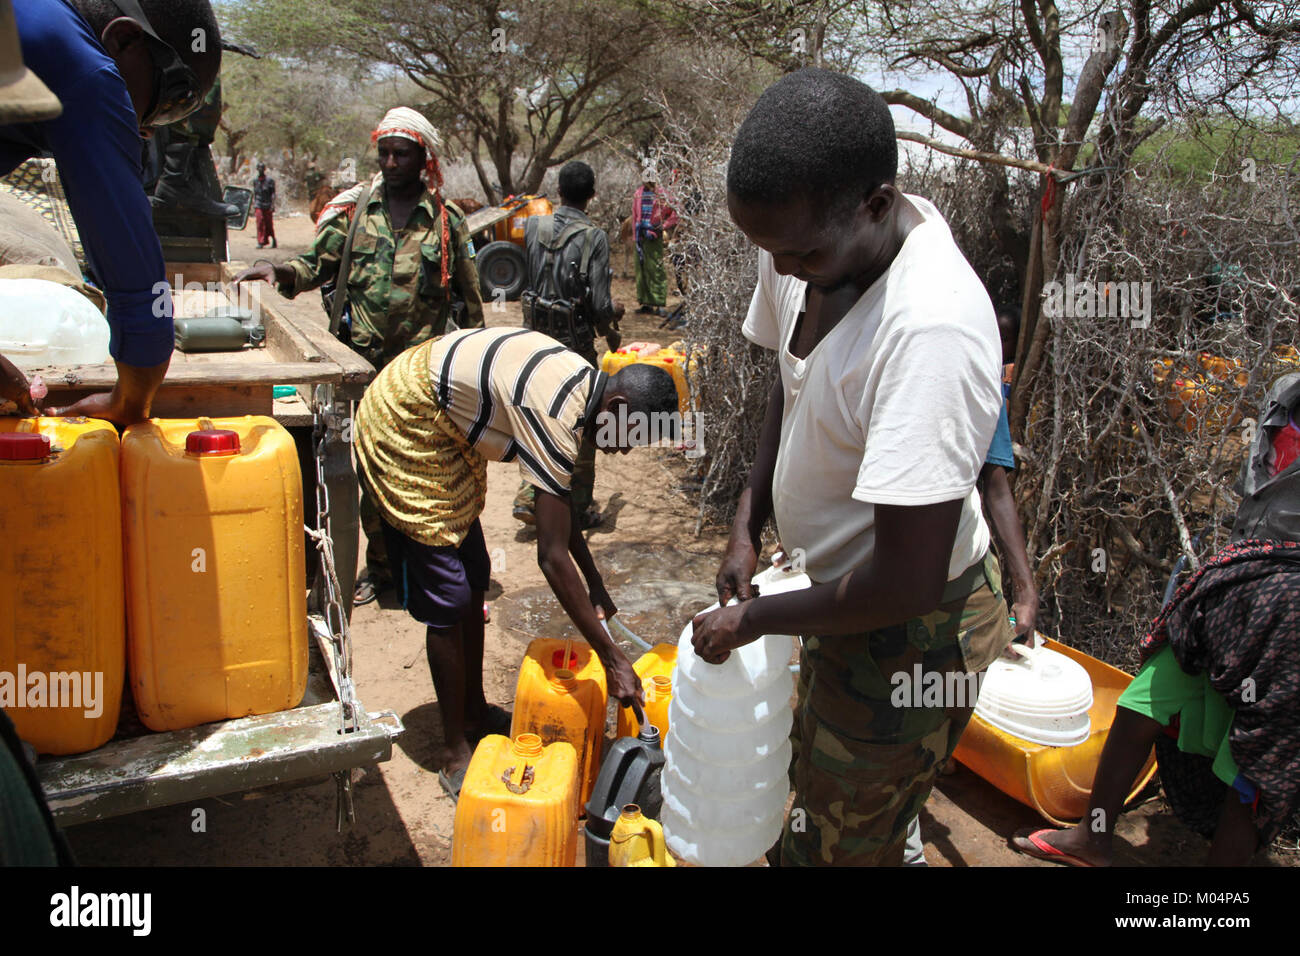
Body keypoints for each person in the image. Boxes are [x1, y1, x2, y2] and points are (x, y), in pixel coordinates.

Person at [690, 68, 1015, 866]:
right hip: (834, 597)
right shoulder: (801, 234)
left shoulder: (929, 327)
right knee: (818, 793)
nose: (783, 269)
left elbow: (904, 579)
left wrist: (757, 618)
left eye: (798, 253)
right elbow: (789, 387)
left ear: (875, 204)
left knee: (836, 846)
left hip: (914, 628)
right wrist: (746, 525)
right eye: (768, 250)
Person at [352, 326, 680, 798]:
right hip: (404, 423)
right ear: (618, 408)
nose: (626, 450)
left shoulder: (585, 394)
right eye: (632, 437)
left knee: (474, 574)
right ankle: (453, 751)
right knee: (449, 595)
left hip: (445, 432)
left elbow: (560, 513)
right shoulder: (557, 412)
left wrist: (596, 584)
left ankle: (474, 713)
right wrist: (612, 660)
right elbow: (549, 555)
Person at [235, 107, 485, 606]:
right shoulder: (357, 215)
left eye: (402, 154)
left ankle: (424, 566)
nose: (391, 163)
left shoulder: (445, 221)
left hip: (420, 377)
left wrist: (476, 368)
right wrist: (278, 272)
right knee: (369, 469)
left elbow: (470, 300)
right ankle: (381, 569)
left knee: (421, 469)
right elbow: (316, 263)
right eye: (385, 153)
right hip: (365, 371)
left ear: (423, 159)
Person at [1, 0, 221, 425]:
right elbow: (138, 284)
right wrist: (130, 402)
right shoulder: (81, 68)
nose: (152, 128)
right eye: (173, 99)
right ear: (124, 40)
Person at [900, 302, 1039, 866]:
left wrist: (1025, 588)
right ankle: (904, 840)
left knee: (939, 714)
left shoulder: (977, 371)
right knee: (892, 731)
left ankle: (911, 807)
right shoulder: (893, 356)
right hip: (881, 589)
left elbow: (994, 480)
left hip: (960, 588)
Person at [512, 159, 624, 529]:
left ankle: (530, 494)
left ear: (559, 190)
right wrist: (613, 324)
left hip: (532, 342)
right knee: (582, 420)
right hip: (572, 346)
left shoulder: (533, 225)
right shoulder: (593, 237)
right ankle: (578, 505)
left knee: (536, 414)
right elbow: (601, 305)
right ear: (592, 195)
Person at [631, 166, 676, 314]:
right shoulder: (638, 193)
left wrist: (662, 226)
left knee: (655, 269)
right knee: (641, 269)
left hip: (653, 236)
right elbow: (634, 216)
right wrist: (635, 236)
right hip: (640, 236)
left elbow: (675, 212)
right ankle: (646, 303)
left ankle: (659, 303)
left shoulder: (662, 195)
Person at [252, 161, 276, 248]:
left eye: (262, 168)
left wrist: (272, 205)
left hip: (267, 204)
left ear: (264, 169)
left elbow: (273, 193)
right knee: (260, 222)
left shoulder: (270, 181)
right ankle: (261, 242)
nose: (261, 169)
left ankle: (273, 239)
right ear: (257, 169)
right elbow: (255, 193)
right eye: (259, 168)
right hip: (258, 204)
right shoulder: (255, 181)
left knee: (268, 224)